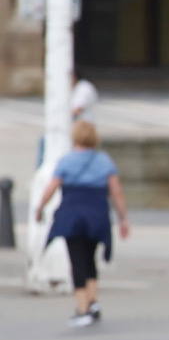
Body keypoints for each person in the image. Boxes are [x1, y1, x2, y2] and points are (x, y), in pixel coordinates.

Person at [33, 121, 129, 327]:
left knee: (77, 261)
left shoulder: (66, 161)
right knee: (90, 259)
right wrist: (123, 218)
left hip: (72, 215)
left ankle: (82, 308)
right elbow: (116, 191)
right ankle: (93, 301)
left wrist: (39, 207)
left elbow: (51, 187)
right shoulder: (104, 161)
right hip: (97, 215)